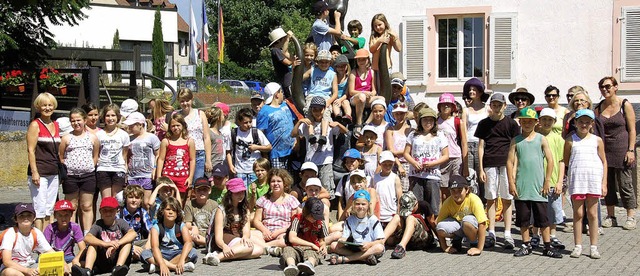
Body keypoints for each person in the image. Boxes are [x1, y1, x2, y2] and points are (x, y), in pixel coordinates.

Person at [507, 107, 562, 258]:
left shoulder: (541, 139)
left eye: (530, 121)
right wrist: (511, 183)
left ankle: (547, 246)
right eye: (524, 121)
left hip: (539, 187)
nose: (526, 124)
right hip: (522, 186)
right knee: (523, 219)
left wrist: (547, 181)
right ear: (520, 122)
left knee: (543, 219)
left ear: (535, 122)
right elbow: (510, 162)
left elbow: (551, 160)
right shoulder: (516, 140)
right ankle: (525, 245)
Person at [474, 93, 519, 249]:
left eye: (500, 105)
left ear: (505, 106)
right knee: (491, 199)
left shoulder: (512, 124)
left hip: (506, 165)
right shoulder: (483, 124)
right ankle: (491, 232)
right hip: (489, 164)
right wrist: (480, 168)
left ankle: (507, 234)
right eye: (494, 104)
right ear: (490, 106)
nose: (497, 107)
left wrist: (514, 169)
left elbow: (515, 148)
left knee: (507, 199)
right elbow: (481, 147)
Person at [594, 76, 637, 230]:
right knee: (608, 185)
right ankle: (611, 216)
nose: (605, 89)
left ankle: (630, 216)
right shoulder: (599, 107)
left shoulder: (624, 104)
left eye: (608, 86)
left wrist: (631, 150)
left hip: (623, 151)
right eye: (602, 87)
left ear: (615, 87)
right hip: (605, 152)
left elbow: (632, 130)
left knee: (625, 185)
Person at [564, 109, 607, 259]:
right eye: (580, 121)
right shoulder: (570, 141)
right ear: (575, 123)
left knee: (593, 214)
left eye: (587, 122)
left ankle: (594, 247)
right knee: (578, 214)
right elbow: (567, 161)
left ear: (592, 124)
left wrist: (604, 182)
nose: (584, 124)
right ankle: (578, 245)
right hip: (577, 182)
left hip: (593, 181)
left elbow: (604, 161)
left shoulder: (597, 140)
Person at [203, 177, 263, 265]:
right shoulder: (221, 210)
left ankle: (217, 256)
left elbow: (246, 230)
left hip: (237, 237)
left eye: (242, 192)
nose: (240, 195)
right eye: (237, 193)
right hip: (221, 239)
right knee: (249, 248)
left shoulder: (245, 209)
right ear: (230, 194)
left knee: (259, 250)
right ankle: (219, 256)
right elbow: (218, 237)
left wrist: (245, 237)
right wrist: (224, 246)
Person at [59, 107, 99, 233]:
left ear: (84, 120)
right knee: (72, 206)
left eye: (78, 120)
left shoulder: (92, 137)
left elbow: (95, 155)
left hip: (88, 176)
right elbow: (61, 157)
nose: (76, 123)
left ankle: (87, 233)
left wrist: (89, 166)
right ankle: (71, 233)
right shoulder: (66, 138)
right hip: (71, 177)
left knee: (86, 206)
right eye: (73, 121)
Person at [74, 197, 136, 276]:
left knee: (128, 243)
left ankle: (118, 268)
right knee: (92, 244)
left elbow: (132, 233)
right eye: (105, 210)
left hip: (117, 256)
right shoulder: (98, 224)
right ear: (100, 212)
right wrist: (105, 244)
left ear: (117, 210)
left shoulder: (120, 222)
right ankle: (88, 270)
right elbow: (87, 238)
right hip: (102, 259)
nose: (108, 213)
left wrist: (117, 244)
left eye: (111, 210)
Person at [404, 107, 449, 215]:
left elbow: (446, 155)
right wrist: (414, 162)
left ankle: (432, 229)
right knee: (416, 205)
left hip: (432, 176)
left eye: (430, 120)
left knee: (433, 207)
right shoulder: (413, 135)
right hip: (416, 175)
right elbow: (406, 153)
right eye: (425, 119)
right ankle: (418, 228)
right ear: (420, 121)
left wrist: (433, 163)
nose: (428, 122)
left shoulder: (440, 135)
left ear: (434, 121)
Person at [27, 92, 61, 231]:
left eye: (50, 105)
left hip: (53, 172)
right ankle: (38, 239)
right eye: (44, 105)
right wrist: (34, 172)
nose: (47, 108)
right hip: (40, 172)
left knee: (49, 209)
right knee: (39, 209)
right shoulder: (35, 125)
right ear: (38, 107)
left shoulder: (56, 125)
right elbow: (30, 150)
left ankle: (46, 239)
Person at [533, 108, 566, 250]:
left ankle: (552, 235)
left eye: (550, 120)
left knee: (553, 210)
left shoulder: (559, 139)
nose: (547, 122)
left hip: (553, 181)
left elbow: (561, 161)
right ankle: (535, 235)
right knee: (536, 210)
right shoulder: (534, 137)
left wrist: (559, 181)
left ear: (554, 122)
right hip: (536, 181)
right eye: (544, 119)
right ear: (539, 121)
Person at [140, 197, 197, 275]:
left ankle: (158, 267)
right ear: (162, 211)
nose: (171, 212)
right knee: (145, 253)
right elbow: (155, 247)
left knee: (193, 252)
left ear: (177, 213)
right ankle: (174, 267)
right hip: (162, 253)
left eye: (174, 210)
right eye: (168, 209)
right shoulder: (156, 228)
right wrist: (162, 263)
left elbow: (188, 242)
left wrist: (182, 260)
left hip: (178, 253)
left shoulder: (181, 226)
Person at [329, 190, 385, 265]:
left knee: (379, 247)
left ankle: (346, 259)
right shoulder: (349, 220)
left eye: (363, 204)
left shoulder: (373, 219)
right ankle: (364, 258)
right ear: (353, 205)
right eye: (357, 204)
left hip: (369, 248)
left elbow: (380, 241)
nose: (360, 207)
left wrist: (369, 244)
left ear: (368, 205)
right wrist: (341, 241)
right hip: (356, 247)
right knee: (333, 245)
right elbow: (344, 237)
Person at [435, 175, 487, 256]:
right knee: (440, 227)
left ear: (467, 190)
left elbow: (483, 224)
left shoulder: (474, 199)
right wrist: (444, 246)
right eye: (453, 190)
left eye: (460, 190)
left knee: (467, 221)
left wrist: (479, 248)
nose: (456, 194)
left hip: (471, 227)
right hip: (458, 226)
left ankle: (473, 242)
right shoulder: (448, 202)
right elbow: (438, 223)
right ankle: (457, 239)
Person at [1, 203, 55, 276]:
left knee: (50, 269)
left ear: (34, 218)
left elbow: (51, 252)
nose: (25, 218)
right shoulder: (10, 233)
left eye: (29, 215)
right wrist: (27, 271)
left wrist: (64, 265)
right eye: (21, 216)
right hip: (12, 267)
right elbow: (6, 261)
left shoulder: (36, 233)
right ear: (16, 219)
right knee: (12, 273)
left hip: (29, 264)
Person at [252, 169, 300, 249]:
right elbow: (256, 220)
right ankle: (271, 248)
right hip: (265, 231)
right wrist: (264, 231)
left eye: (279, 181)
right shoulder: (263, 200)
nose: (276, 184)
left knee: (286, 240)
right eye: (273, 181)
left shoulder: (291, 200)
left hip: (283, 232)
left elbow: (293, 222)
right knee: (249, 235)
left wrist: (278, 232)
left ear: (284, 183)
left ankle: (265, 247)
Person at [281, 197, 328, 275]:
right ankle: (291, 266)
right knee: (288, 250)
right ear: (306, 211)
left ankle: (309, 265)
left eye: (317, 216)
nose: (315, 219)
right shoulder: (298, 219)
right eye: (313, 216)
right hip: (296, 248)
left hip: (311, 249)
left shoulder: (320, 223)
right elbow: (292, 238)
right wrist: (311, 244)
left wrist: (323, 246)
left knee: (312, 254)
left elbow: (322, 241)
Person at [156, 113, 196, 204]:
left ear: (183, 126)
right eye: (173, 126)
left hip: (182, 176)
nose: (175, 128)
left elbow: (192, 160)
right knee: (167, 200)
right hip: (168, 176)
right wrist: (159, 176)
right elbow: (161, 159)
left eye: (178, 125)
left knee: (181, 201)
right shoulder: (166, 141)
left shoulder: (189, 141)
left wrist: (190, 177)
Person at [384, 192, 436, 259]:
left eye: (411, 209)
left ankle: (401, 247)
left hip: (423, 239)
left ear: (416, 203)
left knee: (410, 218)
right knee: (396, 217)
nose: (410, 212)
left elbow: (433, 224)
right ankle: (380, 242)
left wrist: (443, 245)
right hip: (409, 239)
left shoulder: (424, 206)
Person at [437, 93, 469, 201]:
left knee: (457, 187)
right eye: (443, 104)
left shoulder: (458, 122)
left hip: (456, 158)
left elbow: (464, 143)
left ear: (452, 107)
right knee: (443, 188)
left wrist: (465, 166)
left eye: (448, 104)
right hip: (441, 159)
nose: (445, 107)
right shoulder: (435, 122)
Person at [257, 82, 296, 170]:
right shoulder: (264, 111)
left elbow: (294, 122)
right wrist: (265, 154)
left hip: (292, 150)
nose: (283, 94)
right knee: (279, 178)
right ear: (276, 94)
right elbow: (260, 133)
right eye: (281, 92)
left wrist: (297, 140)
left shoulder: (286, 105)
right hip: (276, 154)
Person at [176, 89, 212, 185]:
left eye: (187, 100)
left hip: (199, 153)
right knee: (183, 184)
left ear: (192, 99)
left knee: (197, 184)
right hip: (183, 153)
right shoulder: (177, 116)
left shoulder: (200, 114)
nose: (185, 103)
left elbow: (206, 137)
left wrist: (208, 160)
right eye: (182, 101)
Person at [125, 112, 160, 207]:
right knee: (134, 203)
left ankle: (147, 220)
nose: (130, 128)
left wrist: (155, 169)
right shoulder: (129, 139)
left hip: (147, 175)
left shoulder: (152, 138)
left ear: (140, 125)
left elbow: (158, 155)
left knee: (146, 203)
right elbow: (127, 156)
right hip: (132, 176)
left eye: (132, 125)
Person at [230, 108, 272, 187]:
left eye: (250, 121)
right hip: (239, 170)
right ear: (239, 122)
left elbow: (269, 147)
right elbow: (228, 151)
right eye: (245, 122)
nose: (249, 124)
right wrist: (230, 165)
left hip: (254, 170)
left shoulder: (256, 132)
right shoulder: (234, 133)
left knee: (254, 191)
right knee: (241, 192)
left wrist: (257, 147)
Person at [460, 78, 489, 192]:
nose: (471, 92)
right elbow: (464, 130)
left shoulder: (487, 109)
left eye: (474, 89)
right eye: (470, 90)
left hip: (482, 144)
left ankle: (484, 204)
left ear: (480, 92)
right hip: (469, 143)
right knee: (469, 177)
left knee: (483, 176)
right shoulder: (465, 110)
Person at [96, 104, 130, 199]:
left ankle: (117, 214)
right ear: (103, 117)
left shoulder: (123, 135)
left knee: (117, 198)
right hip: (103, 168)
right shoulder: (99, 134)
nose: (110, 118)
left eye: (113, 115)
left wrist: (125, 169)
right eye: (107, 115)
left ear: (118, 117)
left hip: (118, 168)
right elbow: (97, 152)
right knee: (106, 200)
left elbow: (125, 154)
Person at [44, 200, 86, 275]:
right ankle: (66, 270)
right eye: (60, 215)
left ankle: (66, 270)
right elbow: (44, 249)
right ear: (55, 215)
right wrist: (61, 262)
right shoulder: (50, 228)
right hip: (52, 257)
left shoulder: (75, 227)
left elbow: (83, 247)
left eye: (66, 215)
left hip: (68, 257)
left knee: (84, 262)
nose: (63, 218)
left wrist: (76, 259)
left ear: (71, 215)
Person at [303, 50, 338, 133]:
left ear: (330, 63)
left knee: (326, 112)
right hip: (312, 95)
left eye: (326, 62)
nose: (324, 64)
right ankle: (310, 133)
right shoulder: (313, 70)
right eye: (321, 62)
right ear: (317, 62)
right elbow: (300, 78)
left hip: (325, 97)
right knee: (309, 110)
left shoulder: (332, 74)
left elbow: (335, 92)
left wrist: (328, 102)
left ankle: (324, 134)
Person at [349, 49, 383, 134]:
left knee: (381, 99)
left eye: (363, 59)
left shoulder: (371, 72)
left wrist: (372, 94)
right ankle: (359, 123)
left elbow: (374, 90)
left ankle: (367, 122)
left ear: (368, 59)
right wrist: (363, 93)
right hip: (356, 98)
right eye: (359, 59)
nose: (361, 61)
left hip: (367, 97)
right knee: (362, 97)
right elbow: (351, 91)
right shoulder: (353, 73)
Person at [116, 185, 152, 261]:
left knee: (155, 242)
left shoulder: (143, 212)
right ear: (125, 199)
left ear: (141, 200)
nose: (134, 200)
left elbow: (151, 231)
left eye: (137, 198)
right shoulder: (119, 214)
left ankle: (137, 255)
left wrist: (148, 243)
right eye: (131, 197)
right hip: (123, 242)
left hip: (138, 242)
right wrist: (132, 247)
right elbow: (115, 235)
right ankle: (143, 257)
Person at [385, 101, 412, 192]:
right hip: (394, 164)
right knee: (394, 191)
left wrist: (399, 152)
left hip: (409, 164)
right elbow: (391, 150)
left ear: (406, 114)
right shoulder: (390, 130)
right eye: (397, 114)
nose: (399, 116)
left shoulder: (411, 130)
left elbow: (412, 150)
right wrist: (399, 164)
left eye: (402, 114)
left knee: (407, 191)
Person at [184, 177, 218, 248]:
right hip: (196, 234)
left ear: (209, 191)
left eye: (205, 190)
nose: (202, 192)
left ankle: (207, 243)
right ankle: (209, 244)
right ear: (194, 192)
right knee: (186, 232)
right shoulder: (189, 204)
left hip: (210, 234)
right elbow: (187, 224)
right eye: (199, 190)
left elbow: (217, 224)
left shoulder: (214, 204)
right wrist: (193, 227)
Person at [335, 149, 368, 220]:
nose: (349, 164)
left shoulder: (366, 177)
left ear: (359, 161)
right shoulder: (344, 179)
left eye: (352, 161)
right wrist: (340, 218)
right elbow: (341, 201)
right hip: (348, 215)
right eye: (347, 162)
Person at [369, 13, 402, 84]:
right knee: (377, 88)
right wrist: (379, 41)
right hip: (375, 68)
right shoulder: (373, 36)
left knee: (385, 87)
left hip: (386, 67)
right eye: (375, 26)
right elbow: (372, 50)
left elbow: (398, 49)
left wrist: (395, 37)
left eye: (379, 25)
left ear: (385, 23)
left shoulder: (389, 35)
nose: (377, 27)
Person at [373, 151, 403, 224]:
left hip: (391, 214)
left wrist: (398, 214)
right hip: (378, 214)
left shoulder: (395, 177)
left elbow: (400, 197)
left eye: (390, 164)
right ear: (380, 164)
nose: (387, 166)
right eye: (385, 164)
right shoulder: (375, 178)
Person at [269, 27, 298, 98]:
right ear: (279, 41)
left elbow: (286, 53)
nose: (285, 39)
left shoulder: (279, 50)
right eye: (284, 38)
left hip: (289, 80)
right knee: (292, 99)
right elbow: (288, 62)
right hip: (287, 82)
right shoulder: (275, 50)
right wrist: (293, 61)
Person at [332, 54, 353, 124]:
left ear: (347, 66)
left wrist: (340, 100)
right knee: (335, 104)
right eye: (339, 66)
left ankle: (348, 116)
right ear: (336, 67)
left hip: (344, 98)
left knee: (346, 103)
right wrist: (336, 100)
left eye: (343, 66)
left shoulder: (348, 78)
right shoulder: (333, 77)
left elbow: (346, 94)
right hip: (335, 98)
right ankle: (337, 116)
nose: (341, 68)